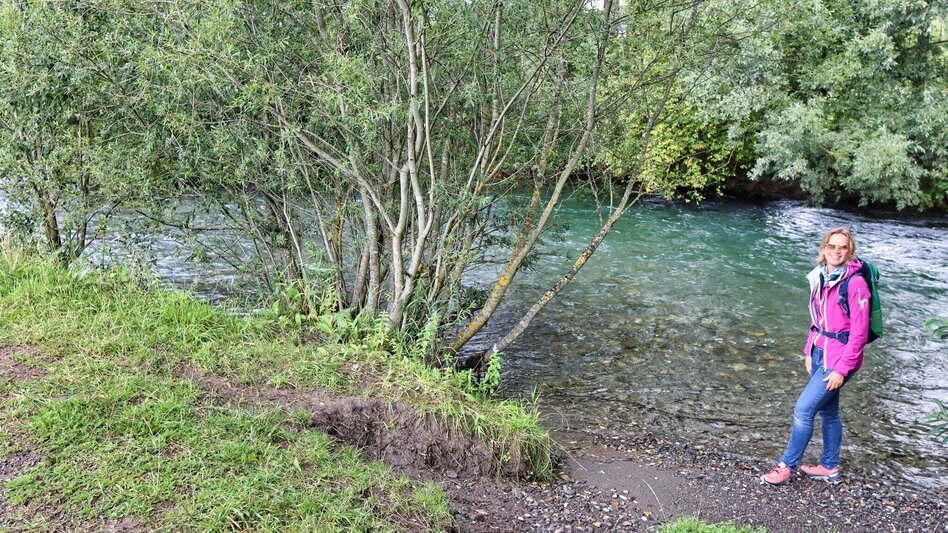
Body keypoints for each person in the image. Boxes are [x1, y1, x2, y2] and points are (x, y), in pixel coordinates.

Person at [761, 227, 871, 486]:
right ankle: (829, 466)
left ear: (849, 251)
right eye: (832, 246)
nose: (836, 251)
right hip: (820, 352)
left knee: (803, 410)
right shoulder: (822, 276)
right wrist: (809, 350)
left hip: (840, 359)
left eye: (842, 247)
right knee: (829, 413)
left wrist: (842, 370)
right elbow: (817, 320)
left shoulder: (855, 283)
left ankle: (786, 466)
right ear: (824, 249)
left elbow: (859, 333)